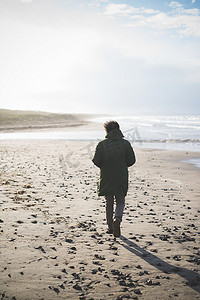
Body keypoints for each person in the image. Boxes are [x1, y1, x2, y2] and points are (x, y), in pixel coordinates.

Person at [92, 121, 136, 237]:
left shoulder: (102, 144)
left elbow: (96, 161)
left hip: (106, 176)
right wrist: (121, 164)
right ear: (118, 129)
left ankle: (110, 227)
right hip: (121, 175)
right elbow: (131, 161)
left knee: (109, 202)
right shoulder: (125, 144)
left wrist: (105, 165)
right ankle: (118, 219)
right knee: (120, 201)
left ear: (107, 131)